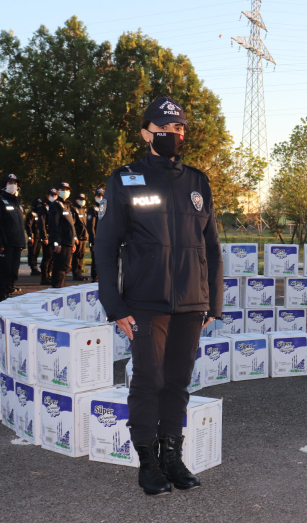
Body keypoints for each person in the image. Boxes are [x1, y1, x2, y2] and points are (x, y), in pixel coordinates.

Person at [96, 96, 222, 497]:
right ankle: (147, 462)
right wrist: (115, 306)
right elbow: (105, 246)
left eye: (180, 128)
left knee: (178, 383)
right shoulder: (125, 179)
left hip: (190, 304)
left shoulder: (197, 181)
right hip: (144, 304)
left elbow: (213, 246)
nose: (174, 135)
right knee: (149, 380)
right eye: (165, 129)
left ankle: (173, 456)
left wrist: (212, 303)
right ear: (146, 133)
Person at [0, 174, 26, 300]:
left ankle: (8, 292)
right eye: (10, 182)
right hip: (6, 244)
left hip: (17, 242)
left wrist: (23, 243)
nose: (13, 185)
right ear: (4, 184)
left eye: (15, 183)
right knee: (4, 271)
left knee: (13, 272)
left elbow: (20, 224)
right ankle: (2, 295)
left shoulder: (18, 203)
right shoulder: (1, 200)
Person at [47, 182, 77, 288]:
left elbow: (70, 225)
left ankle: (61, 288)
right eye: (63, 189)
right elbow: (54, 225)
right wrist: (57, 242)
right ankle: (57, 289)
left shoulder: (67, 205)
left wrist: (73, 242)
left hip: (68, 241)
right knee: (60, 267)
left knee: (65, 267)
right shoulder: (56, 205)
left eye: (67, 189)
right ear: (58, 191)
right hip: (61, 241)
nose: (66, 191)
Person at [36, 187, 58, 285]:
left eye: (55, 195)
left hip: (55, 236)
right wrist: (44, 237)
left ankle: (49, 275)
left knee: (53, 257)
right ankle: (44, 277)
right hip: (48, 236)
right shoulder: (44, 207)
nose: (53, 197)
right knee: (47, 257)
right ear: (47, 196)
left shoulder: (57, 206)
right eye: (52, 195)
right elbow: (42, 223)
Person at [70, 192, 89, 281]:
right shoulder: (74, 210)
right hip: (78, 237)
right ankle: (76, 274)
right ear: (76, 200)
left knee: (81, 256)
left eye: (84, 200)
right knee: (76, 256)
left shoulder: (84, 210)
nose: (82, 201)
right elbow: (72, 224)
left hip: (84, 236)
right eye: (81, 200)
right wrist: (74, 237)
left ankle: (79, 272)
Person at [87, 187, 103, 282]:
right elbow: (91, 226)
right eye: (98, 196)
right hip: (96, 238)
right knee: (96, 258)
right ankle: (95, 276)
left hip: (105, 238)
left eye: (102, 196)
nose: (100, 197)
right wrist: (92, 241)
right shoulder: (93, 209)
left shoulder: (107, 208)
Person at [24, 198, 43, 276]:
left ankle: (35, 267)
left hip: (39, 236)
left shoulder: (41, 214)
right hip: (33, 236)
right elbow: (28, 226)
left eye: (41, 205)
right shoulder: (31, 214)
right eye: (38, 205)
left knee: (37, 252)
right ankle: (33, 267)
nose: (40, 206)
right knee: (32, 252)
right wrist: (30, 237)